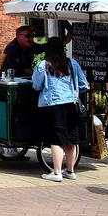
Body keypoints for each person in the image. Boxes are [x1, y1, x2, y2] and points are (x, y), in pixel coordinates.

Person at [31, 36, 88, 182]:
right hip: (72, 104)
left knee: (55, 139)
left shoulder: (43, 65)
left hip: (52, 105)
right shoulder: (72, 63)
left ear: (47, 49)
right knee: (71, 138)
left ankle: (56, 173)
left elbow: (36, 86)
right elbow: (83, 85)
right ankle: (70, 170)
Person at [2, 24, 71, 77]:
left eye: (33, 36)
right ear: (18, 36)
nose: (31, 39)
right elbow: (11, 68)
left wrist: (63, 42)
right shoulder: (11, 48)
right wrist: (26, 71)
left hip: (26, 80)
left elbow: (46, 47)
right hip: (11, 80)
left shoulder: (31, 46)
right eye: (28, 36)